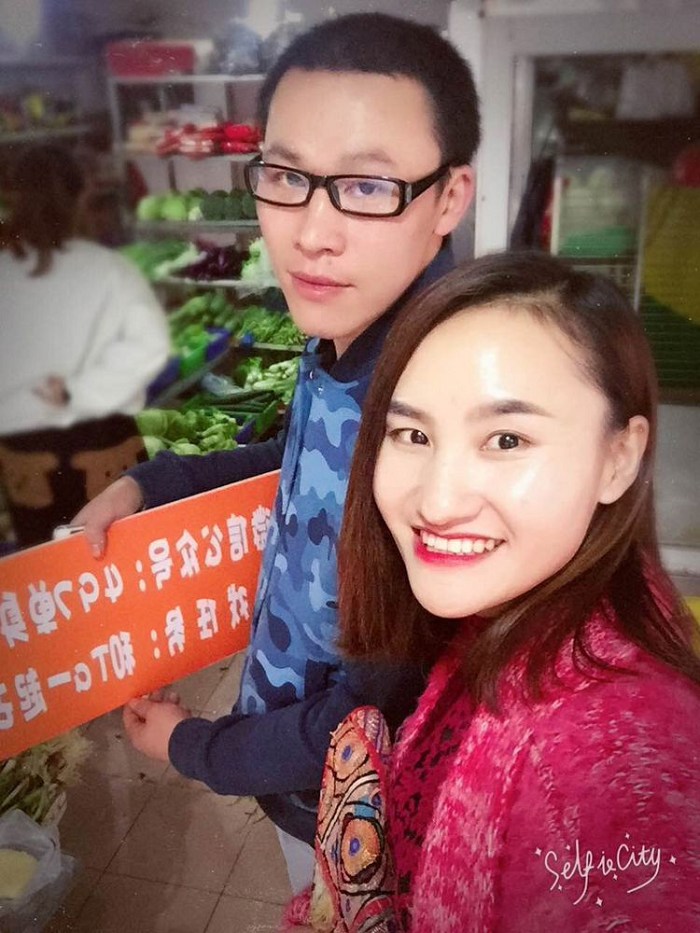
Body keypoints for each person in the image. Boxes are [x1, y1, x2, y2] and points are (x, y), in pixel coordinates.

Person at [72, 13, 479, 890]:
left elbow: (360, 715)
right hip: (296, 774)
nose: (310, 233)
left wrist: (197, 745)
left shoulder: (432, 418)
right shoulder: (350, 329)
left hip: (354, 807)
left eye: (367, 185)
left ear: (449, 198)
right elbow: (305, 457)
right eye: (287, 176)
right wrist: (154, 482)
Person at [294, 251, 700, 931]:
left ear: (619, 458)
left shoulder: (610, 766)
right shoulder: (526, 611)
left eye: (506, 439)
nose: (438, 501)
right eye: (413, 433)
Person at [0, 144, 170, 547]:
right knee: (116, 558)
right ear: (80, 198)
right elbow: (150, 349)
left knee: (45, 566)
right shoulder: (108, 270)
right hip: (102, 450)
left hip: (28, 462)